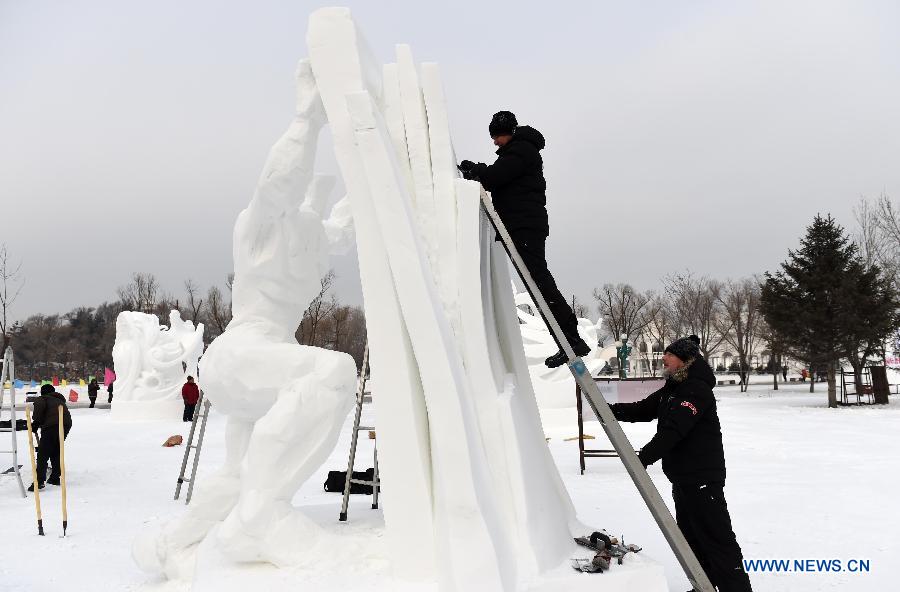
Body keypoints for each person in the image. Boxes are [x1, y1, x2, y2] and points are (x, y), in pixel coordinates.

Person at [610, 336, 752, 592]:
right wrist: (611, 410)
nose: (664, 358)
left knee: (717, 540)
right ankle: (705, 586)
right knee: (693, 540)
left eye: (669, 355)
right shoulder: (674, 387)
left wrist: (643, 458)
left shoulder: (696, 389)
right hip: (683, 479)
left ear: (684, 360)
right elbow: (644, 409)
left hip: (702, 479)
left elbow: (675, 430)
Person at [458, 111, 590, 368]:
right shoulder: (520, 151)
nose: (494, 142)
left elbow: (495, 177)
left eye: (496, 136)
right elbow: (499, 175)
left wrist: (475, 170)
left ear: (505, 132)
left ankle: (571, 339)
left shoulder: (520, 151)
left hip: (524, 226)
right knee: (538, 282)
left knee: (540, 283)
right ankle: (568, 339)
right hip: (524, 225)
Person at [29, 384, 72, 491]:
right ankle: (55, 477)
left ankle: (39, 481)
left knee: (43, 453)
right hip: (65, 424)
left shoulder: (43, 398)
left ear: (43, 392)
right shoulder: (59, 400)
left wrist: (36, 422)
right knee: (55, 450)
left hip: (52, 426)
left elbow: (39, 408)